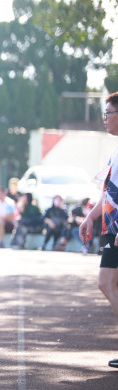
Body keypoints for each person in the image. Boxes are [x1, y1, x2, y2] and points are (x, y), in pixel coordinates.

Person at [80, 91, 118, 368]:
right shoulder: (115, 153)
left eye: (108, 113)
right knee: (110, 284)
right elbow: (108, 193)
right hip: (110, 227)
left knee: (105, 282)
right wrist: (89, 218)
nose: (104, 119)